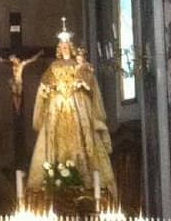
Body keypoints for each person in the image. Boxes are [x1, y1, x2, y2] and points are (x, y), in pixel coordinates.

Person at [26, 22, 116, 199]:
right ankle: (54, 177)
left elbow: (90, 85)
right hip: (57, 108)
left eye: (67, 46)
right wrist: (51, 90)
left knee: (83, 139)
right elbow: (44, 88)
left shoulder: (79, 65)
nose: (65, 48)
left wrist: (81, 83)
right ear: (59, 49)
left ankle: (86, 180)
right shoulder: (53, 67)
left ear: (71, 48)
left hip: (78, 108)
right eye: (62, 46)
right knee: (55, 142)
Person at [0, 47, 43, 120]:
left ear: (17, 59)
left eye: (14, 59)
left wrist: (39, 53)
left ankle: (18, 109)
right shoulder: (12, 65)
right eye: (12, 60)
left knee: (18, 96)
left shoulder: (22, 64)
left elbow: (32, 59)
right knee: (15, 96)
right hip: (14, 82)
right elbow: (1, 60)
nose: (13, 61)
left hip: (19, 82)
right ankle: (17, 109)